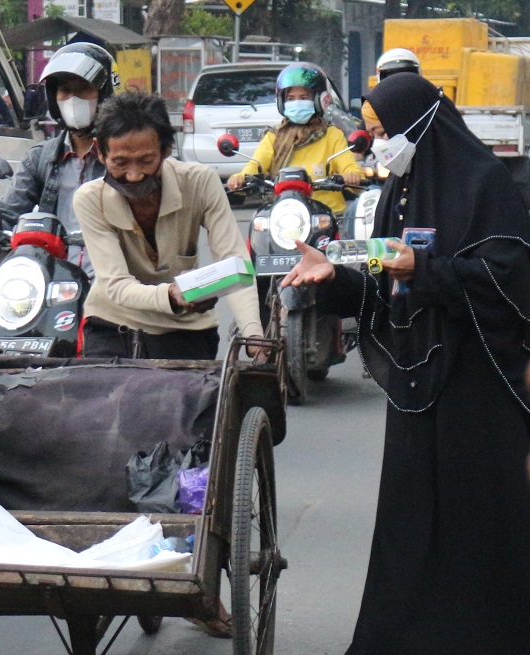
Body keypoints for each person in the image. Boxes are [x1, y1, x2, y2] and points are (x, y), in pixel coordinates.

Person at [283, 73, 530, 654]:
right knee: (412, 519)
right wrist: (336, 278)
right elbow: (381, 277)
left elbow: (510, 278)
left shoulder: (485, 183)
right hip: (420, 383)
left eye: (381, 131)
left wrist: (426, 271)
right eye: (368, 132)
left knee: (478, 522)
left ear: (420, 124)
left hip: (478, 383)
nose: (375, 143)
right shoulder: (398, 189)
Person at [74, 92, 263, 361]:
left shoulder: (200, 183)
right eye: (120, 162)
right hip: (112, 324)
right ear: (101, 153)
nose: (134, 175)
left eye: (146, 161)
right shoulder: (89, 199)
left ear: (166, 150)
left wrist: (253, 332)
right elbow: (115, 285)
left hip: (185, 326)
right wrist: (172, 295)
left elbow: (234, 261)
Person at [0, 42, 117, 278]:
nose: (72, 99)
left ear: (105, 93)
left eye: (83, 89)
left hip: (111, 278)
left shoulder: (121, 157)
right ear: (53, 97)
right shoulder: (42, 157)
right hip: (51, 277)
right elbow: (10, 210)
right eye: (65, 91)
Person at [227, 62, 362, 216]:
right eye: (291, 98)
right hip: (283, 214)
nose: (297, 102)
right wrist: (241, 178)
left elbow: (348, 166)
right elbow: (256, 165)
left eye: (304, 97)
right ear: (282, 101)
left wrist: (352, 176)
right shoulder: (274, 136)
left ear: (321, 99)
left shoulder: (331, 134)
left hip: (326, 215)